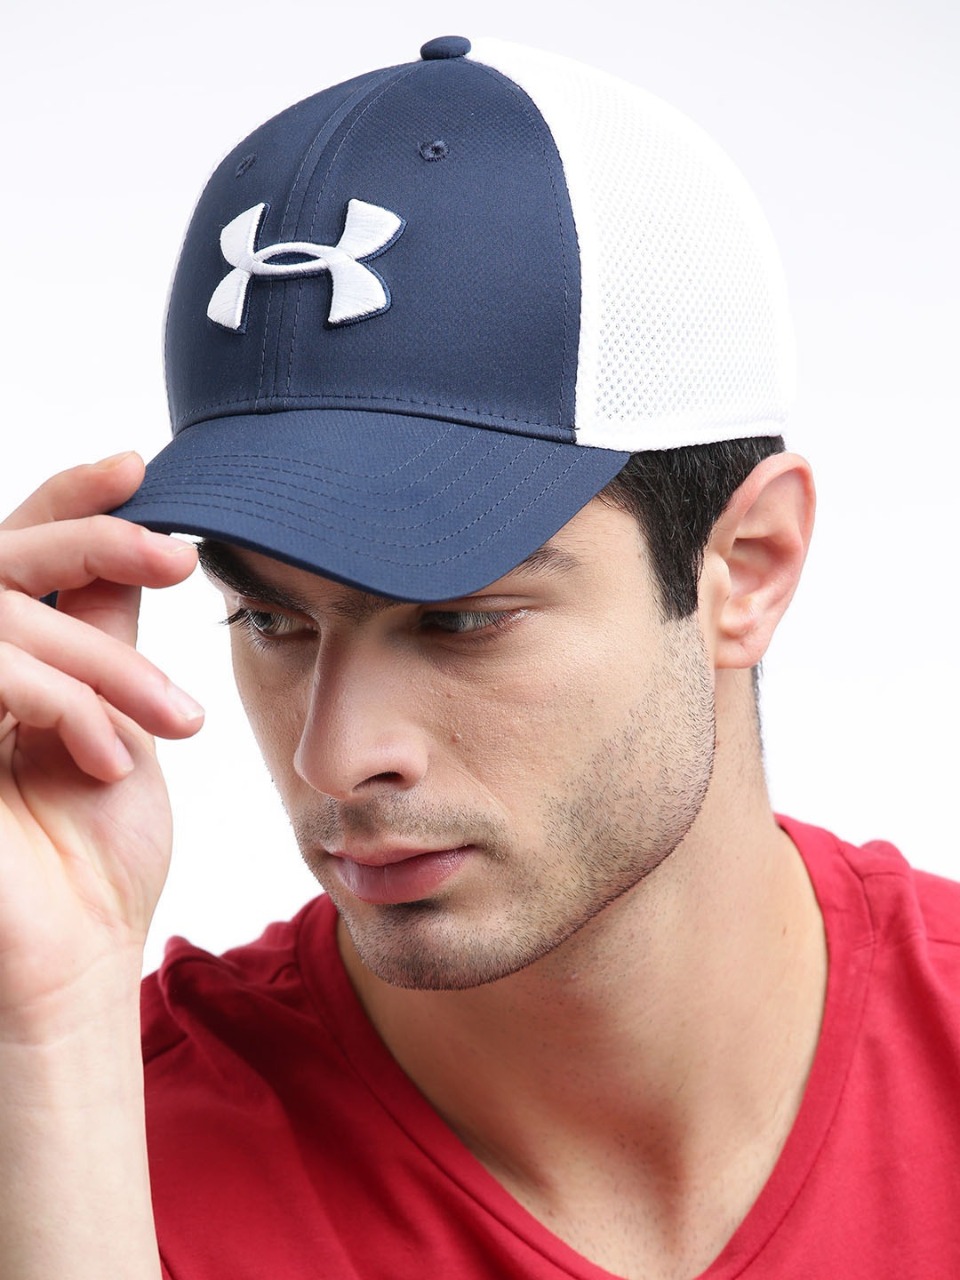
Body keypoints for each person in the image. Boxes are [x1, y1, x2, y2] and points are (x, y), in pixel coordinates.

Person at [1, 34, 957, 1280]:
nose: (334, 754)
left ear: (751, 565)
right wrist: (48, 1026)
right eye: (272, 620)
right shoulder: (80, 1150)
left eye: (458, 619)